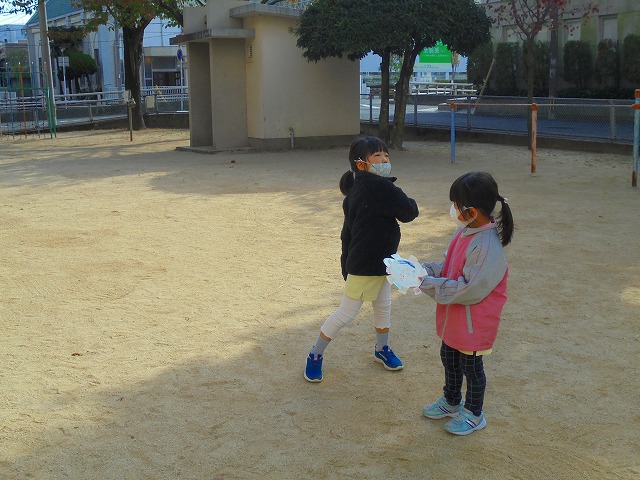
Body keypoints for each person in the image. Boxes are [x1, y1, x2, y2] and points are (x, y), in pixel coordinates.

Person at [304, 136, 419, 383]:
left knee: (383, 306)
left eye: (386, 155)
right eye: (377, 156)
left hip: (382, 263)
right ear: (361, 164)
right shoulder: (380, 187)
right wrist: (348, 266)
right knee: (346, 313)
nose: (384, 160)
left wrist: (345, 263)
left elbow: (347, 233)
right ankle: (315, 354)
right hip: (366, 265)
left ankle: (382, 349)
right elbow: (410, 211)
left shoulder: (355, 191)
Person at [418, 171, 513, 435]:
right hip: (457, 318)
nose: (453, 209)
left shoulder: (486, 246)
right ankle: (451, 400)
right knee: (448, 357)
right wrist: (424, 270)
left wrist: (428, 284)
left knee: (471, 367)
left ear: (472, 211)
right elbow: (450, 266)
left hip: (474, 321)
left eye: (457, 205)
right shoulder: (466, 232)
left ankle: (473, 413)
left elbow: (470, 289)